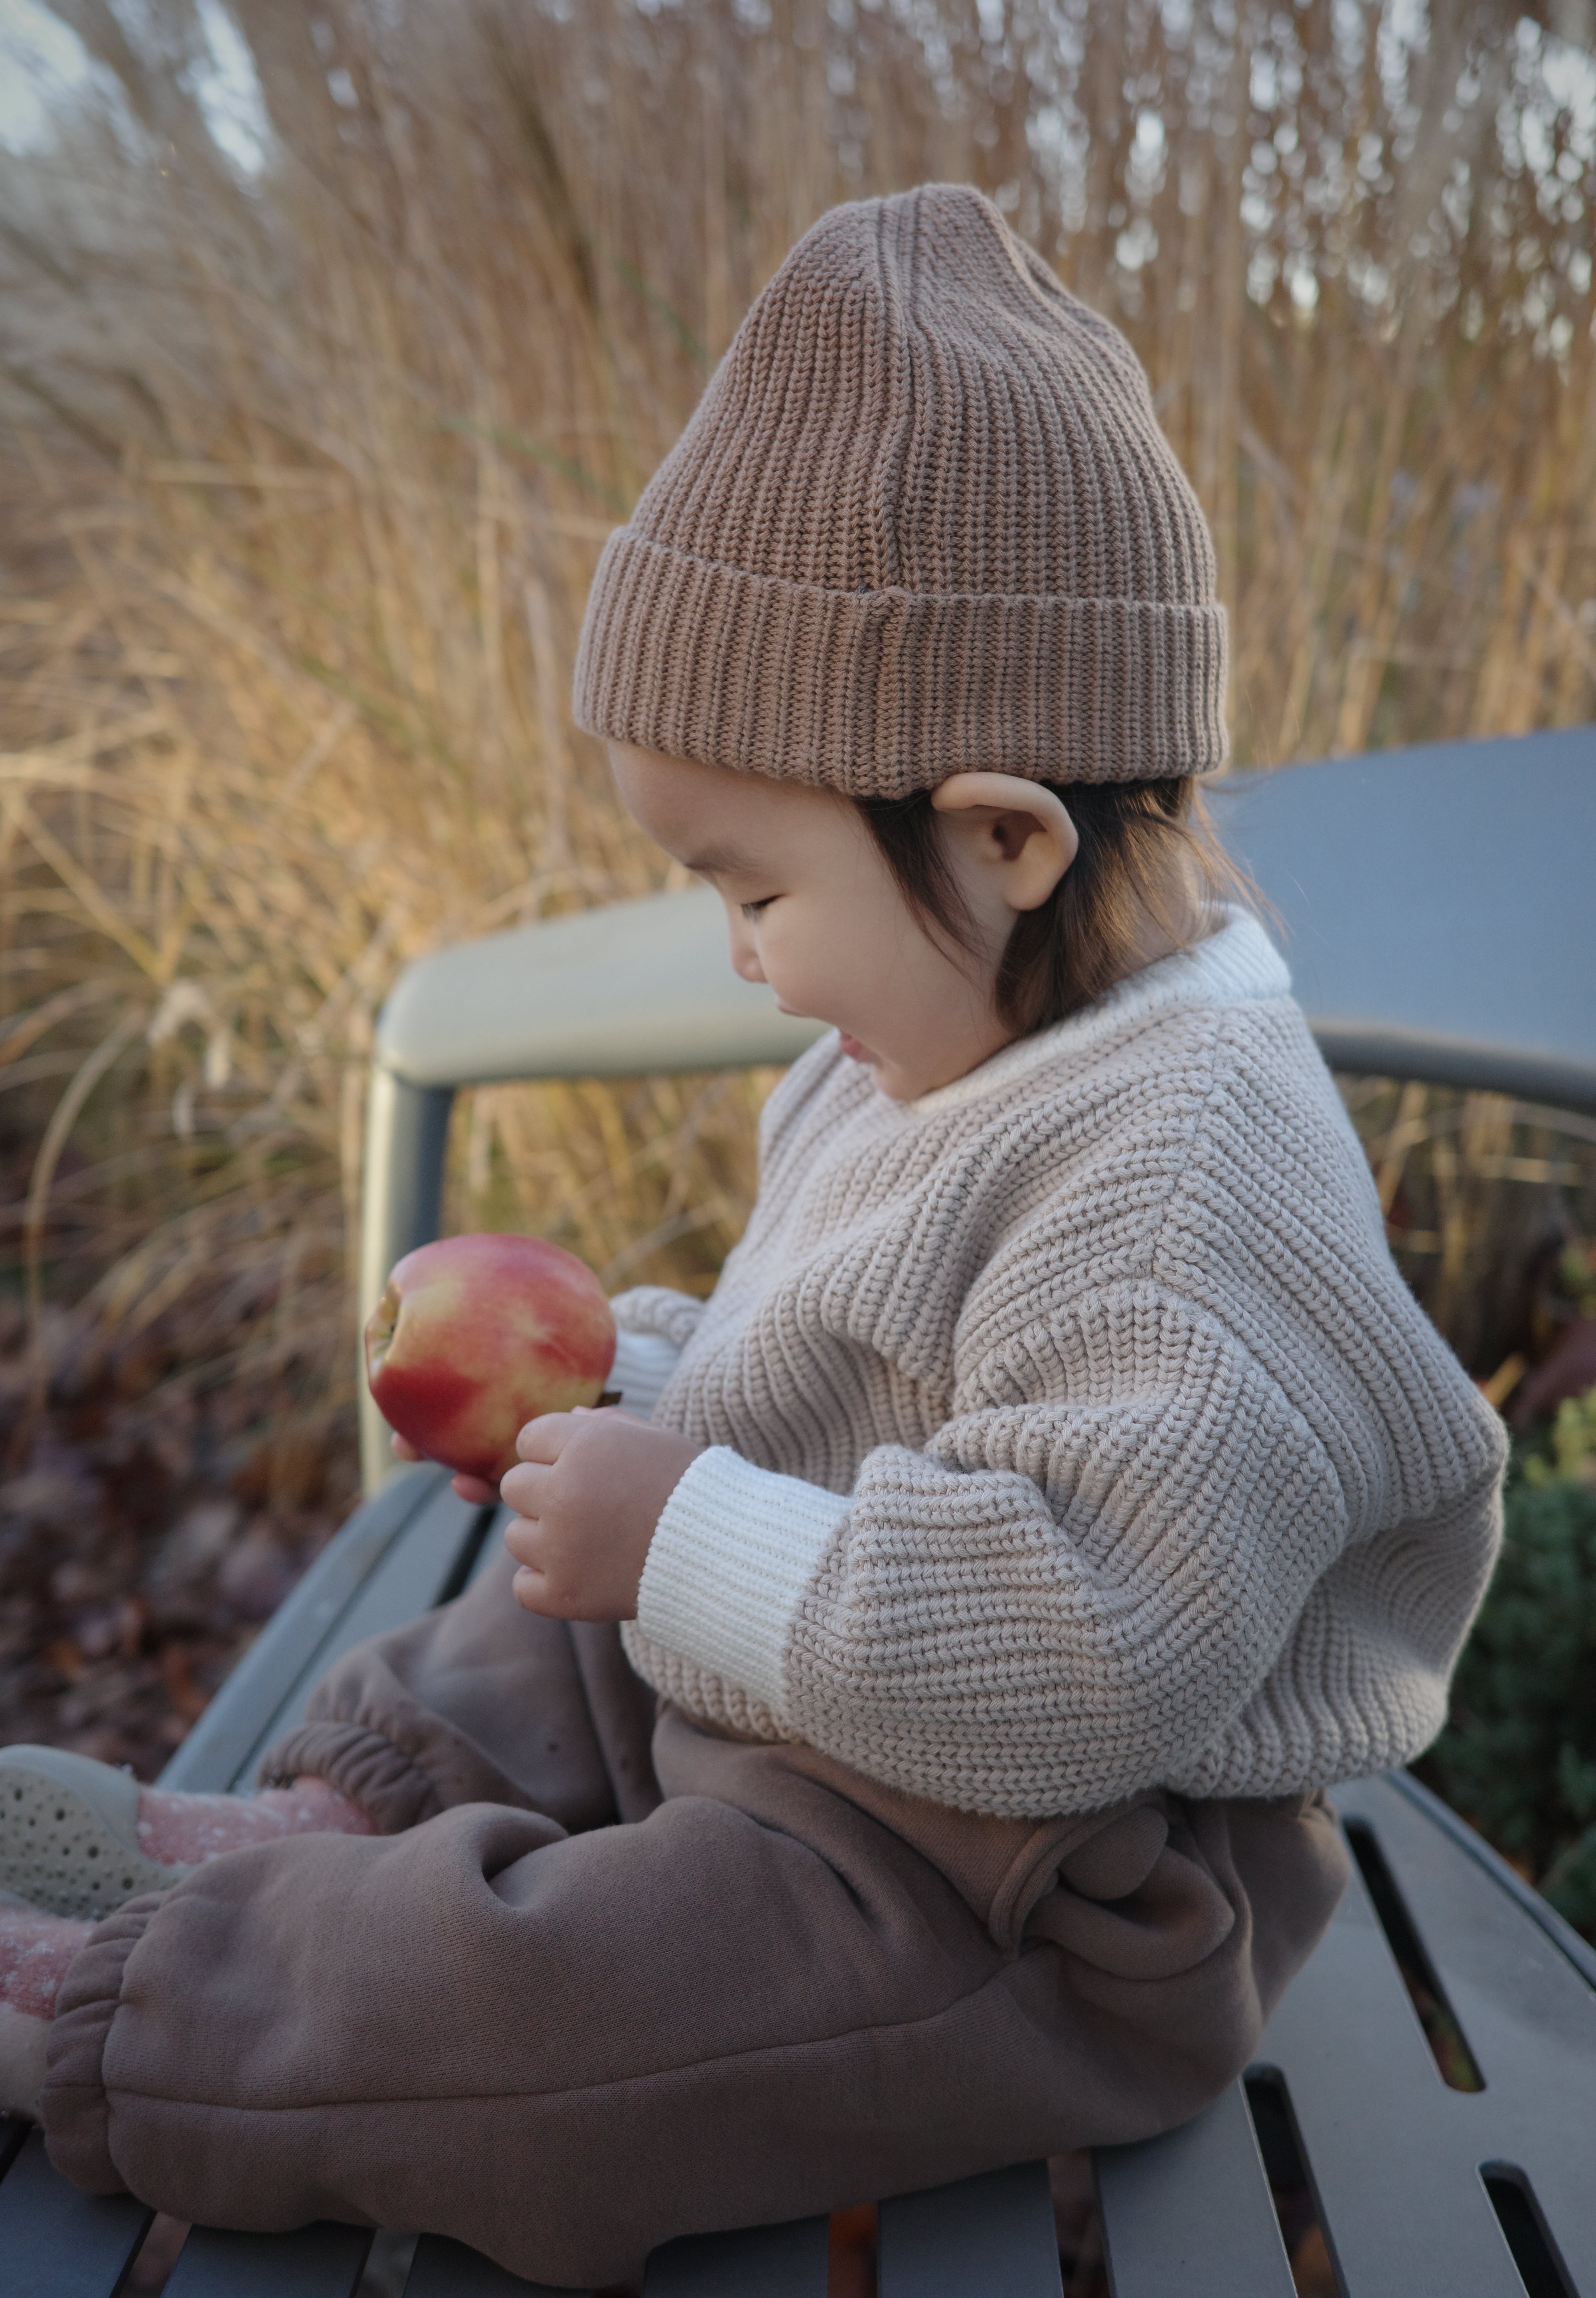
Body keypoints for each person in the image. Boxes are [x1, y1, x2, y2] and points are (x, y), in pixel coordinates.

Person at [0, 185, 1505, 2289]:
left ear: (1001, 836)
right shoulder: (946, 1024)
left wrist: (691, 1530)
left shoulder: (1183, 1189)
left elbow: (1087, 1646)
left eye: (754, 887)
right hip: (866, 1701)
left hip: (1047, 1874)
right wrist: (643, 1397)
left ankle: (157, 2013)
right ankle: (339, 1808)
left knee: (584, 2018)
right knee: (569, 1618)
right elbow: (879, 1380)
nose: (736, 956)